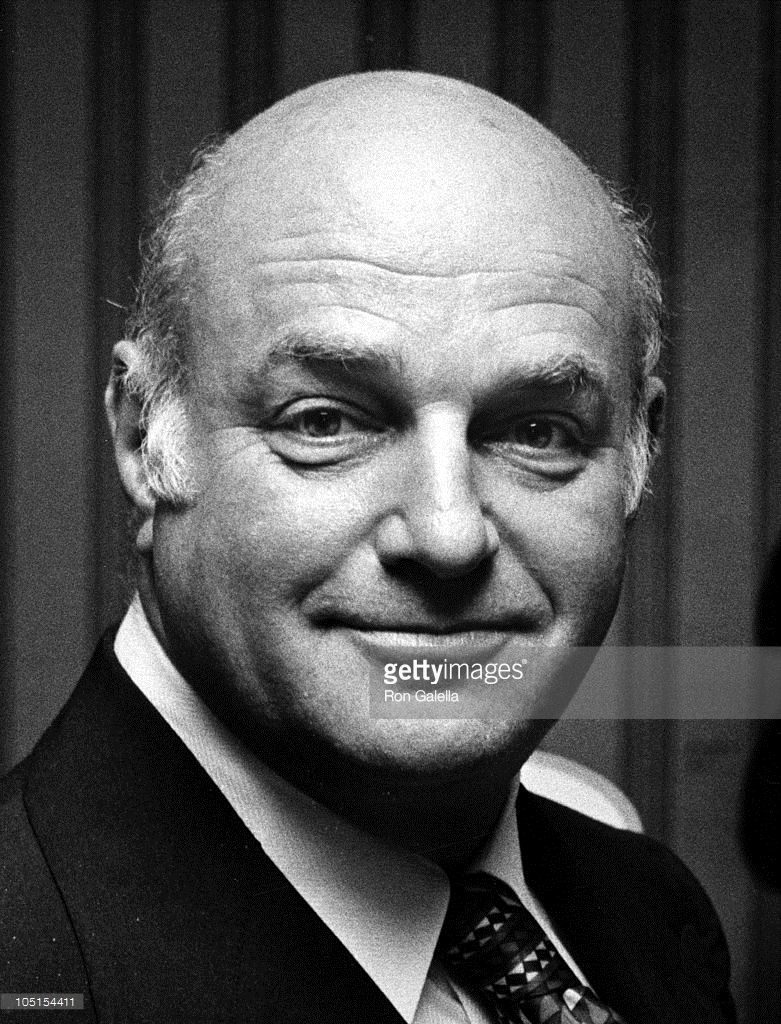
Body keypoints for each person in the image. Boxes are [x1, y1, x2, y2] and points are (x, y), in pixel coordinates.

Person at [0, 71, 734, 1023]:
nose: (447, 534)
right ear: (144, 437)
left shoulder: (650, 911)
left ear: (640, 453)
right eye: (325, 421)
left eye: (537, 432)